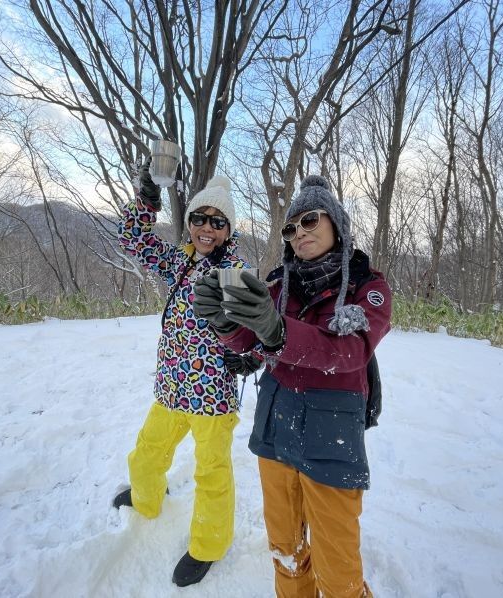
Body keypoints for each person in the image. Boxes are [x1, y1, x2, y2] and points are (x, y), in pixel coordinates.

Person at [193, 175, 392, 598]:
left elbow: (349, 353)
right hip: (276, 425)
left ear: (336, 223)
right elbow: (250, 340)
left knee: (339, 574)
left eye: (310, 220)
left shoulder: (367, 287)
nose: (299, 233)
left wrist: (278, 330)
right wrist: (226, 323)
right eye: (291, 227)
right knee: (286, 551)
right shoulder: (278, 286)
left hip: (332, 435)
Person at [115, 160, 259, 587]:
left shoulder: (232, 272)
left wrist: (253, 355)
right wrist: (147, 199)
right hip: (172, 388)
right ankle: (146, 499)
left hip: (212, 395)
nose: (207, 228)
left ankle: (209, 545)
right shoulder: (181, 261)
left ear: (229, 230)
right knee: (145, 455)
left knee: (211, 472)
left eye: (217, 222)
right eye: (199, 219)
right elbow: (133, 239)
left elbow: (259, 328)